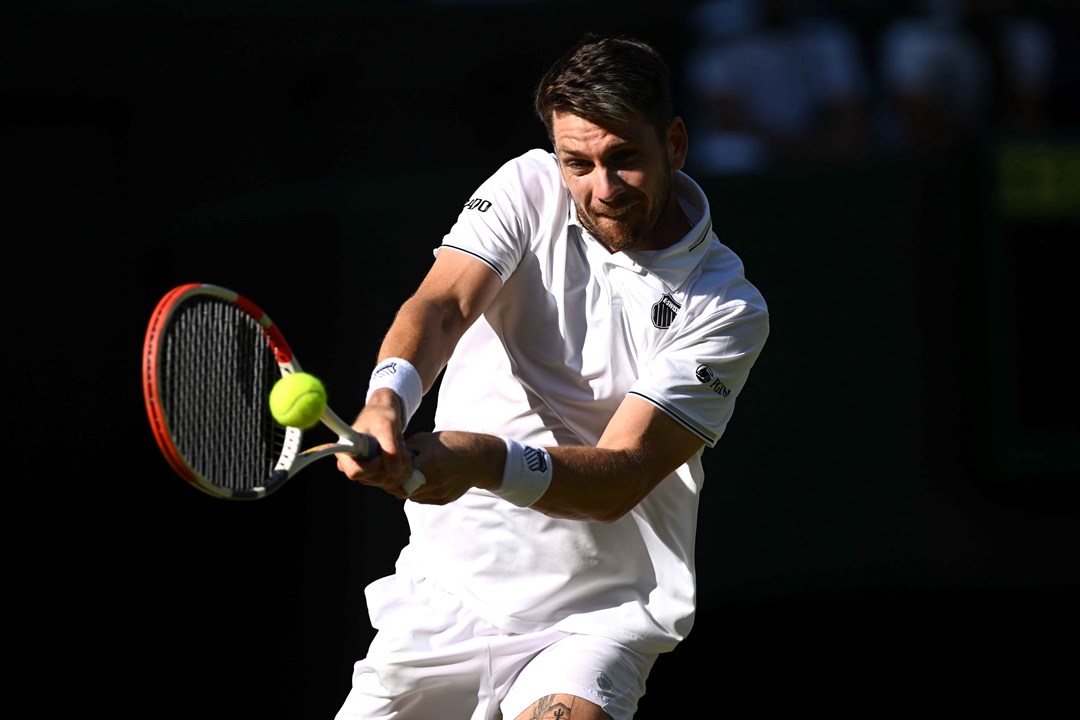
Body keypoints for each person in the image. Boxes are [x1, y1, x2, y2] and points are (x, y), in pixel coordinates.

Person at [334, 33, 769, 720]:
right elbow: (445, 303)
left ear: (675, 145)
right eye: (579, 163)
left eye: (624, 159)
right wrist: (387, 398)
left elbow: (621, 475)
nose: (601, 189)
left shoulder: (727, 307)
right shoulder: (526, 185)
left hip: (596, 618)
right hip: (447, 592)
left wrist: (480, 459)